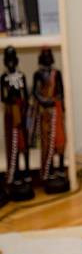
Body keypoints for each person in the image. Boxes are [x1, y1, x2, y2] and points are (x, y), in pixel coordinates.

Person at [30, 48, 69, 193]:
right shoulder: (37, 74)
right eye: (44, 57)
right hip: (45, 112)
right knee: (47, 142)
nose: (47, 59)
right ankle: (50, 170)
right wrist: (44, 101)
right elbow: (35, 92)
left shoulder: (56, 73)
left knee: (60, 140)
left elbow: (61, 91)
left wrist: (58, 103)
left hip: (56, 110)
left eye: (49, 57)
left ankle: (60, 169)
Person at [1, 46, 34, 200]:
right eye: (8, 61)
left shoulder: (21, 76)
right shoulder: (4, 78)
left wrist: (24, 108)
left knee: (24, 145)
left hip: (21, 112)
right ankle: (17, 174)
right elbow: (3, 97)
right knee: (13, 146)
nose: (11, 63)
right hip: (10, 114)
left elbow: (26, 96)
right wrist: (11, 102)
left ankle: (27, 173)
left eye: (13, 60)